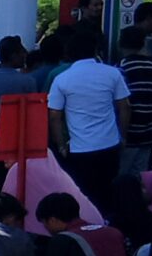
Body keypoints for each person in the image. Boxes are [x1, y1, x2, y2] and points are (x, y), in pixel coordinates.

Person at [46, 24, 129, 205]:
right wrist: (122, 136)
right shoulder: (112, 73)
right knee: (108, 193)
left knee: (83, 195)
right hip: (109, 143)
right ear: (95, 50)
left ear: (69, 53)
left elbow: (54, 116)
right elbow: (124, 107)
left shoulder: (62, 79)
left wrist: (61, 145)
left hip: (79, 148)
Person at [116, 26, 152, 178]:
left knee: (122, 177)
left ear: (121, 44)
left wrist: (121, 134)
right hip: (147, 133)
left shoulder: (122, 67)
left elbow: (122, 104)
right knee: (140, 178)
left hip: (128, 134)